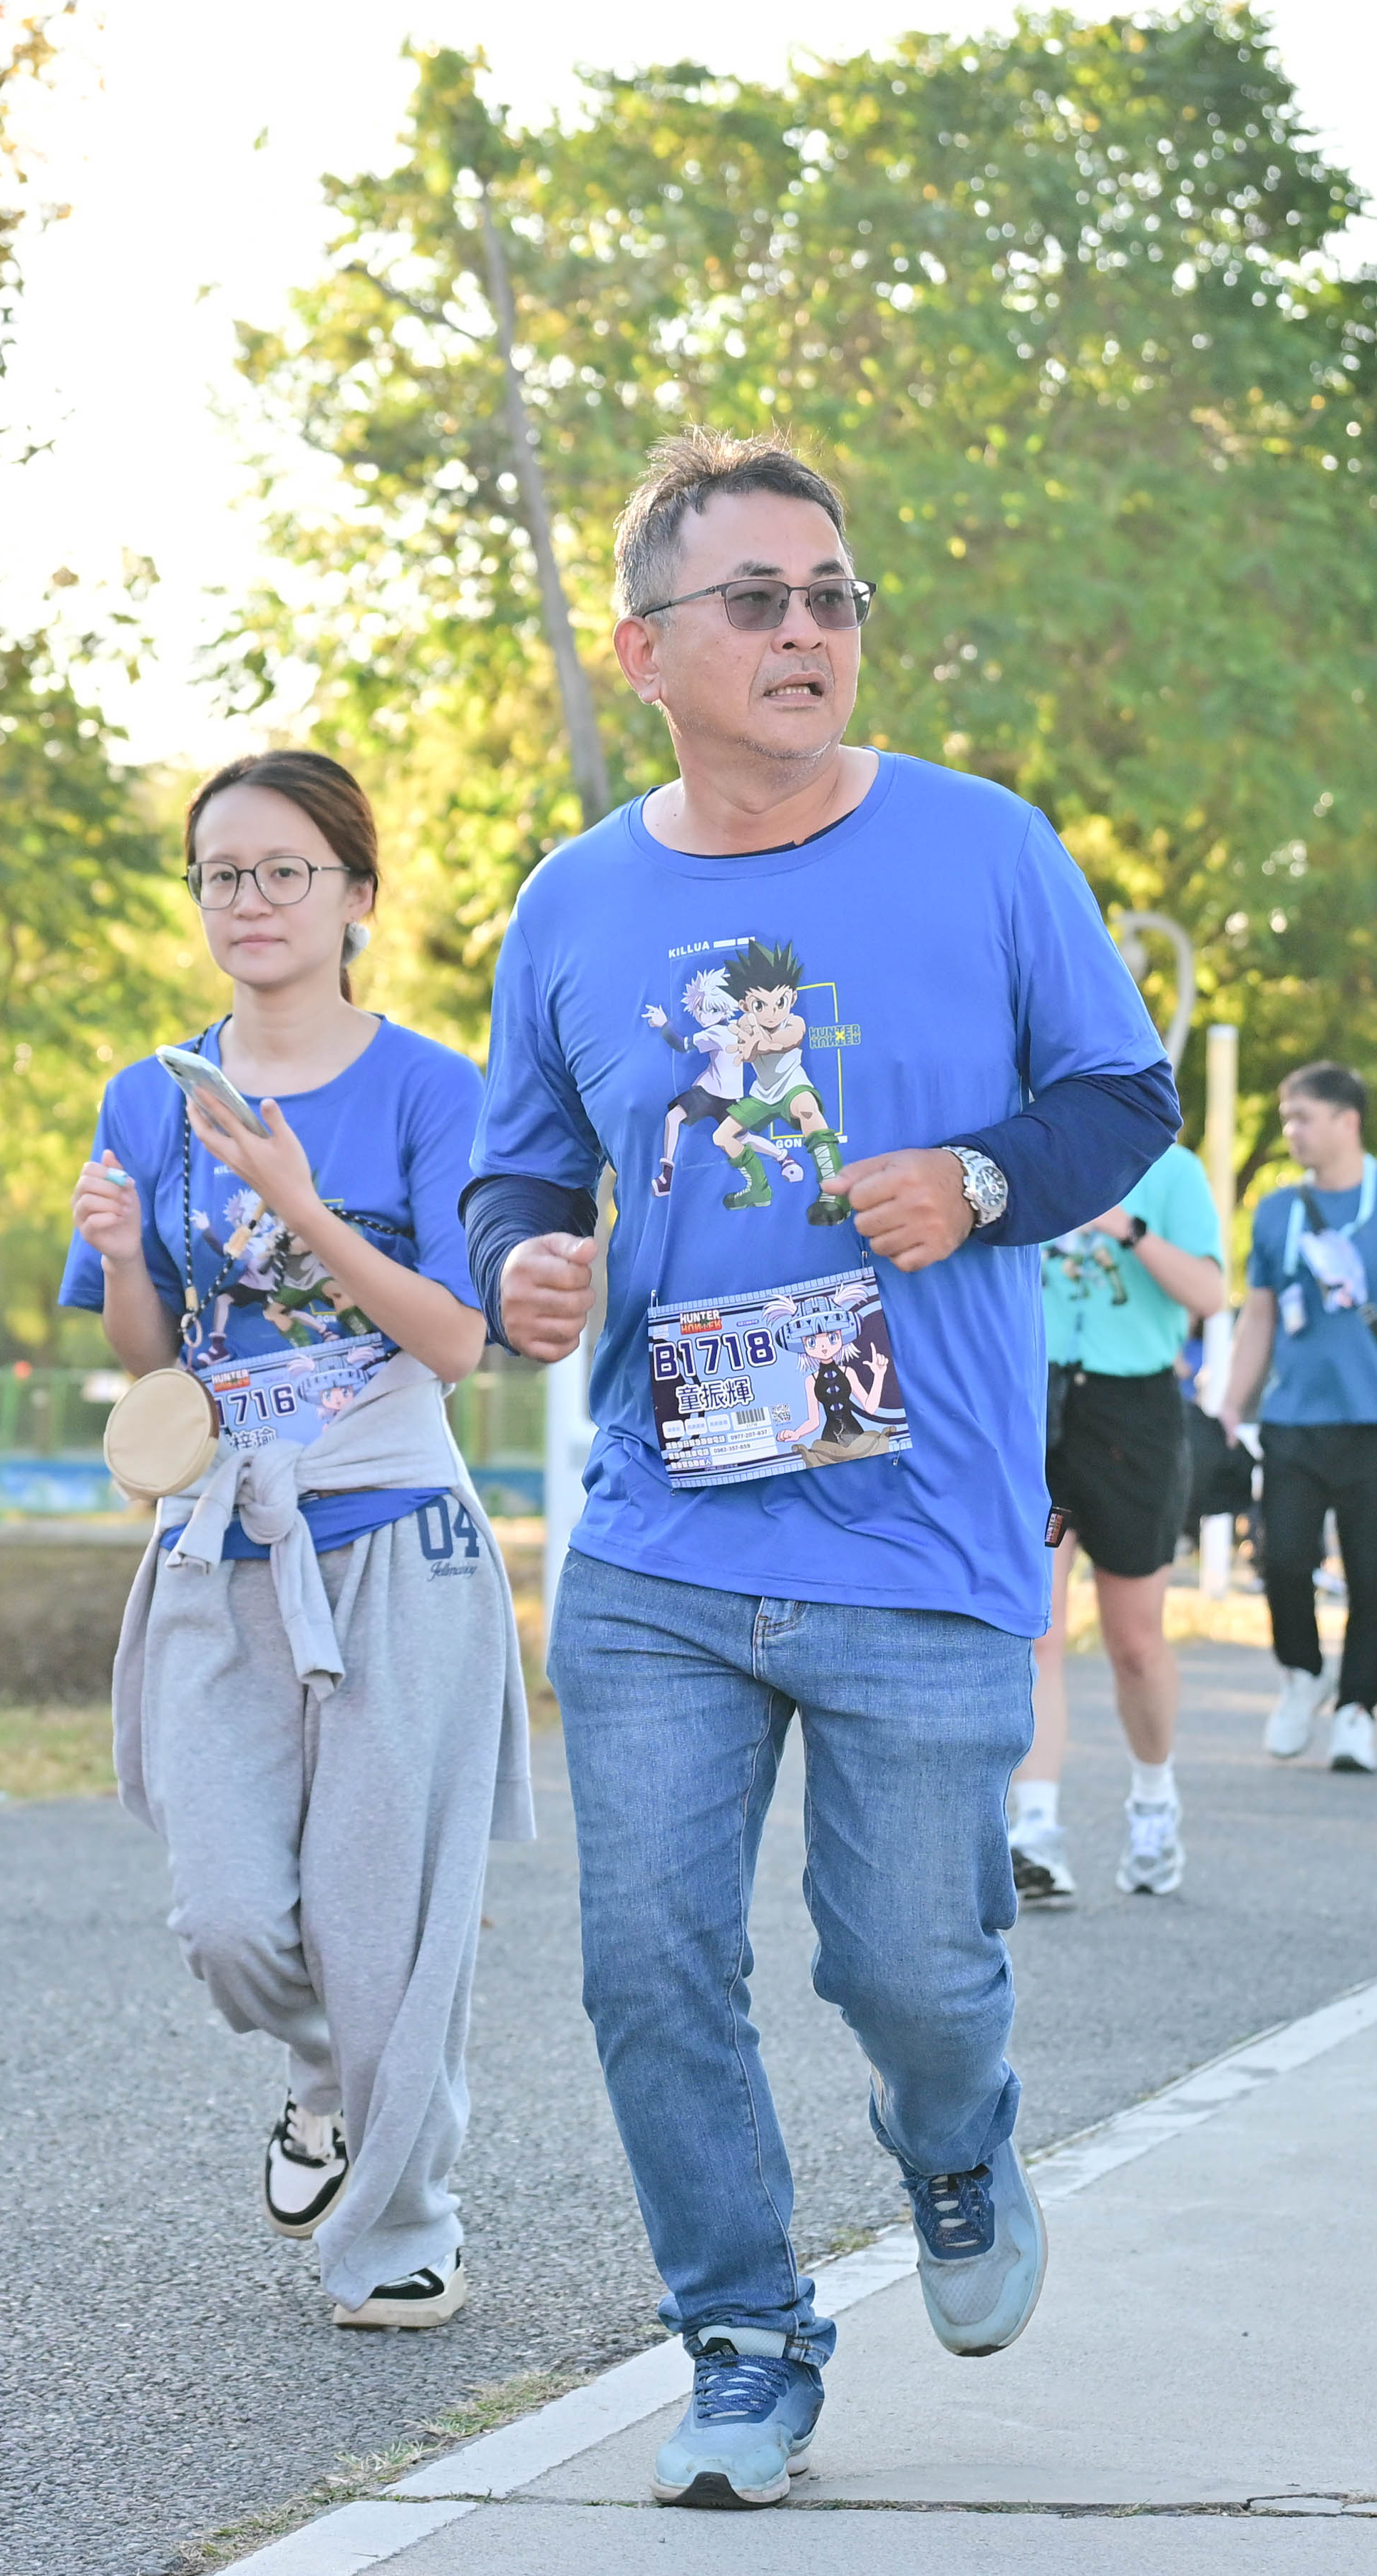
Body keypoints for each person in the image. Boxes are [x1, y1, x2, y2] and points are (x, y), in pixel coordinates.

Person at [464, 433, 1173, 2508]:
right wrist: (522, 1261)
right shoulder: (574, 903)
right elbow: (520, 1163)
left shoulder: (985, 848)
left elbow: (1122, 1100)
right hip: (665, 1531)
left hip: (922, 1529)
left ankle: (954, 2143)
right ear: (645, 650)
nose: (809, 629)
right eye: (759, 598)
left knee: (911, 1971)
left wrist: (981, 1179)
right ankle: (747, 2337)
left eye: (834, 595)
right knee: (646, 1964)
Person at [63, 750, 527, 2331]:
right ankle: (325, 2070)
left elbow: (459, 1339)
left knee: (382, 1925)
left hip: (401, 1544)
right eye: (221, 874)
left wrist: (302, 1203)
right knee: (227, 1920)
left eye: (283, 871)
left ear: (356, 897)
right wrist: (129, 1258)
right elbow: (150, 1363)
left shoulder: (434, 1090)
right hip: (224, 1547)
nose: (248, 900)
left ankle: (401, 2229)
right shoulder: (149, 1094)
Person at [1216, 1063, 1377, 1776]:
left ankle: (1358, 1710)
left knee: (1373, 1572)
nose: (1291, 1130)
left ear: (1348, 1121)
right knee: (1284, 1559)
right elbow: (1259, 1316)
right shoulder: (1275, 1212)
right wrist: (1230, 1402)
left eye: (1303, 1117)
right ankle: (1303, 1672)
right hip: (1293, 1417)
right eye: (1287, 1118)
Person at [1011, 1124, 1224, 1901]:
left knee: (1134, 1642)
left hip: (1132, 1420)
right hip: (1039, 1412)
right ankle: (1035, 1830)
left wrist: (1123, 1225)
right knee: (1037, 1629)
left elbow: (1209, 1295)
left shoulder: (1173, 1172)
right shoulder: (1027, 1157)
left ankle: (1154, 1802)